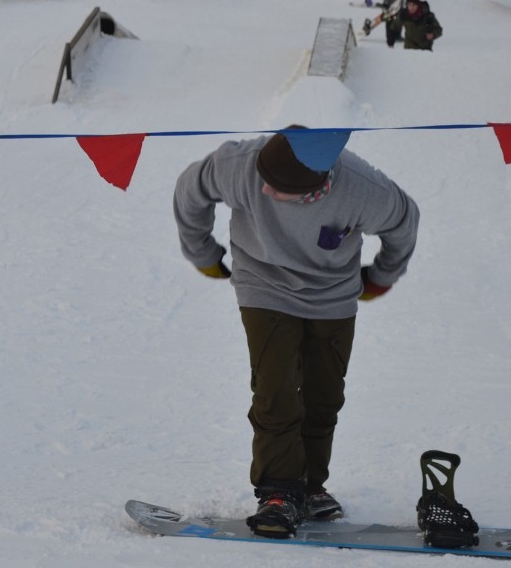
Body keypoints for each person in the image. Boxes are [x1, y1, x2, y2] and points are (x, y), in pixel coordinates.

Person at [173, 126, 419, 539]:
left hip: (332, 295)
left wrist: (382, 276)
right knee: (276, 390)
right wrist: (202, 253)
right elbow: (190, 188)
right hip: (263, 284)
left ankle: (309, 486)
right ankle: (279, 492)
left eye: (279, 187)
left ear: (318, 187)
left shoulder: (363, 190)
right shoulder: (240, 165)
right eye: (264, 180)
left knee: (325, 396)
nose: (265, 191)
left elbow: (405, 221)